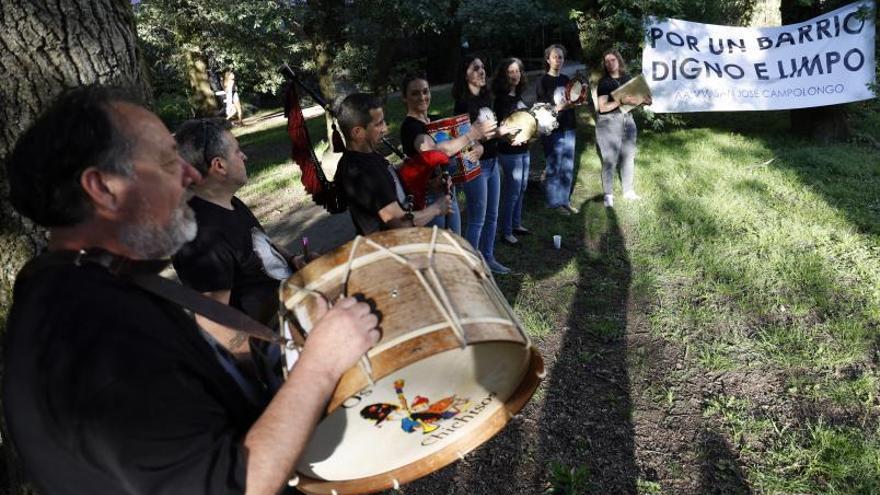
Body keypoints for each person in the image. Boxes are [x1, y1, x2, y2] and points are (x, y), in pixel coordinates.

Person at [2, 85, 379, 495]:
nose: (191, 174)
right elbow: (236, 485)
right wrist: (321, 364)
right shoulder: (95, 336)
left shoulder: (74, 280)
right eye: (167, 161)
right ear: (104, 188)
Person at [171, 118, 304, 385]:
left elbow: (258, 243)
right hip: (282, 346)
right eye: (236, 150)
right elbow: (214, 322)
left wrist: (293, 258)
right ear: (218, 165)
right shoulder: (200, 237)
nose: (243, 155)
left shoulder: (227, 201)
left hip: (297, 312)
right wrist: (267, 376)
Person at [334, 92, 451, 236]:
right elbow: (400, 223)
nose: (385, 129)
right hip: (393, 248)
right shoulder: (364, 171)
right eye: (378, 124)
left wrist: (429, 185)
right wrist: (437, 208)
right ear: (357, 132)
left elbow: (390, 190)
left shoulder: (366, 157)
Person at [399, 74, 495, 233]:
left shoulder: (436, 120)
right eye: (415, 93)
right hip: (428, 199)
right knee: (439, 251)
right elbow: (436, 152)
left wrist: (479, 149)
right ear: (404, 98)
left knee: (454, 243)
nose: (422, 97)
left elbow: (466, 144)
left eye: (425, 91)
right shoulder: (410, 127)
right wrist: (471, 135)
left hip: (449, 192)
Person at [452, 55, 510, 274]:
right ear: (465, 74)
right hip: (476, 168)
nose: (482, 71)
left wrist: (502, 133)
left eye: (483, 67)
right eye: (476, 68)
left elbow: (488, 131)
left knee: (492, 216)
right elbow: (463, 141)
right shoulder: (462, 104)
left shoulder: (486, 97)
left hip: (493, 162)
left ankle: (487, 258)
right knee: (477, 219)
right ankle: (471, 267)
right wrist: (485, 139)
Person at [595, 49, 651, 208]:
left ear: (619, 61)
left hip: (628, 120)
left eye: (613, 60)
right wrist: (621, 101)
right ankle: (608, 194)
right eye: (607, 61)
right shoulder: (604, 82)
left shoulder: (628, 79)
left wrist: (644, 100)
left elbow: (640, 100)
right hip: (609, 121)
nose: (610, 63)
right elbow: (603, 107)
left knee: (628, 157)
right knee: (609, 159)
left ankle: (628, 191)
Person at [492, 57, 533, 245]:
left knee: (522, 188)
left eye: (517, 71)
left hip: (524, 149)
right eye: (511, 72)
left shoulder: (518, 95)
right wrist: (512, 137)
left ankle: (516, 224)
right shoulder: (501, 100)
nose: (515, 75)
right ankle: (506, 231)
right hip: (509, 152)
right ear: (504, 75)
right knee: (512, 191)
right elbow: (499, 130)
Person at [535, 44, 579, 215]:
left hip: (569, 126)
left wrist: (578, 100)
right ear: (548, 59)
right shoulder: (542, 81)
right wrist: (558, 107)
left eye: (561, 57)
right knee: (554, 164)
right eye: (555, 57)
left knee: (568, 164)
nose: (558, 60)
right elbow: (539, 108)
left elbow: (573, 100)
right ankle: (553, 203)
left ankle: (564, 200)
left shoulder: (567, 80)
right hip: (552, 129)